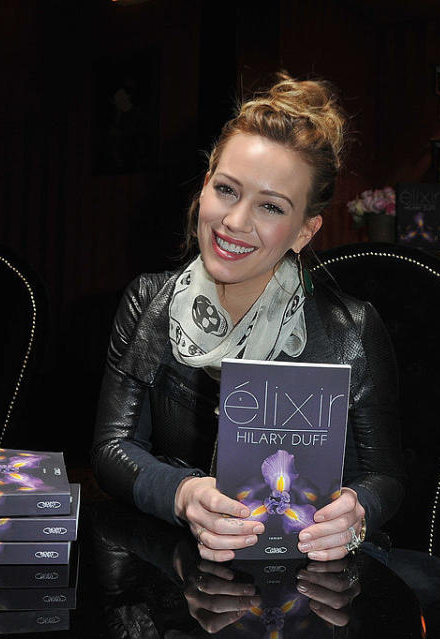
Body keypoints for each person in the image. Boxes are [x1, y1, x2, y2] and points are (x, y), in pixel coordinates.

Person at [92, 72, 405, 564]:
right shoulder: (148, 303)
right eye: (227, 190)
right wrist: (182, 494)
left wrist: (357, 510)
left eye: (271, 206)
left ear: (304, 231)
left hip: (309, 574)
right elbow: (112, 449)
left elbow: (386, 476)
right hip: (174, 571)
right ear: (204, 187)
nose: (235, 222)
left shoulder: (354, 331)